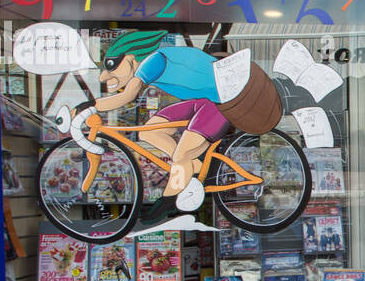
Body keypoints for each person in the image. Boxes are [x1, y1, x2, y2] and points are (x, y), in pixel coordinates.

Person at [79, 31, 282, 226]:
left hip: (218, 103)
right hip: (201, 100)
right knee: (149, 131)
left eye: (111, 65)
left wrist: (86, 107)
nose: (104, 77)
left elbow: (127, 96)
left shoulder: (152, 61)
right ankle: (192, 166)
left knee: (181, 155)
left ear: (130, 57)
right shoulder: (153, 61)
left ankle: (168, 200)